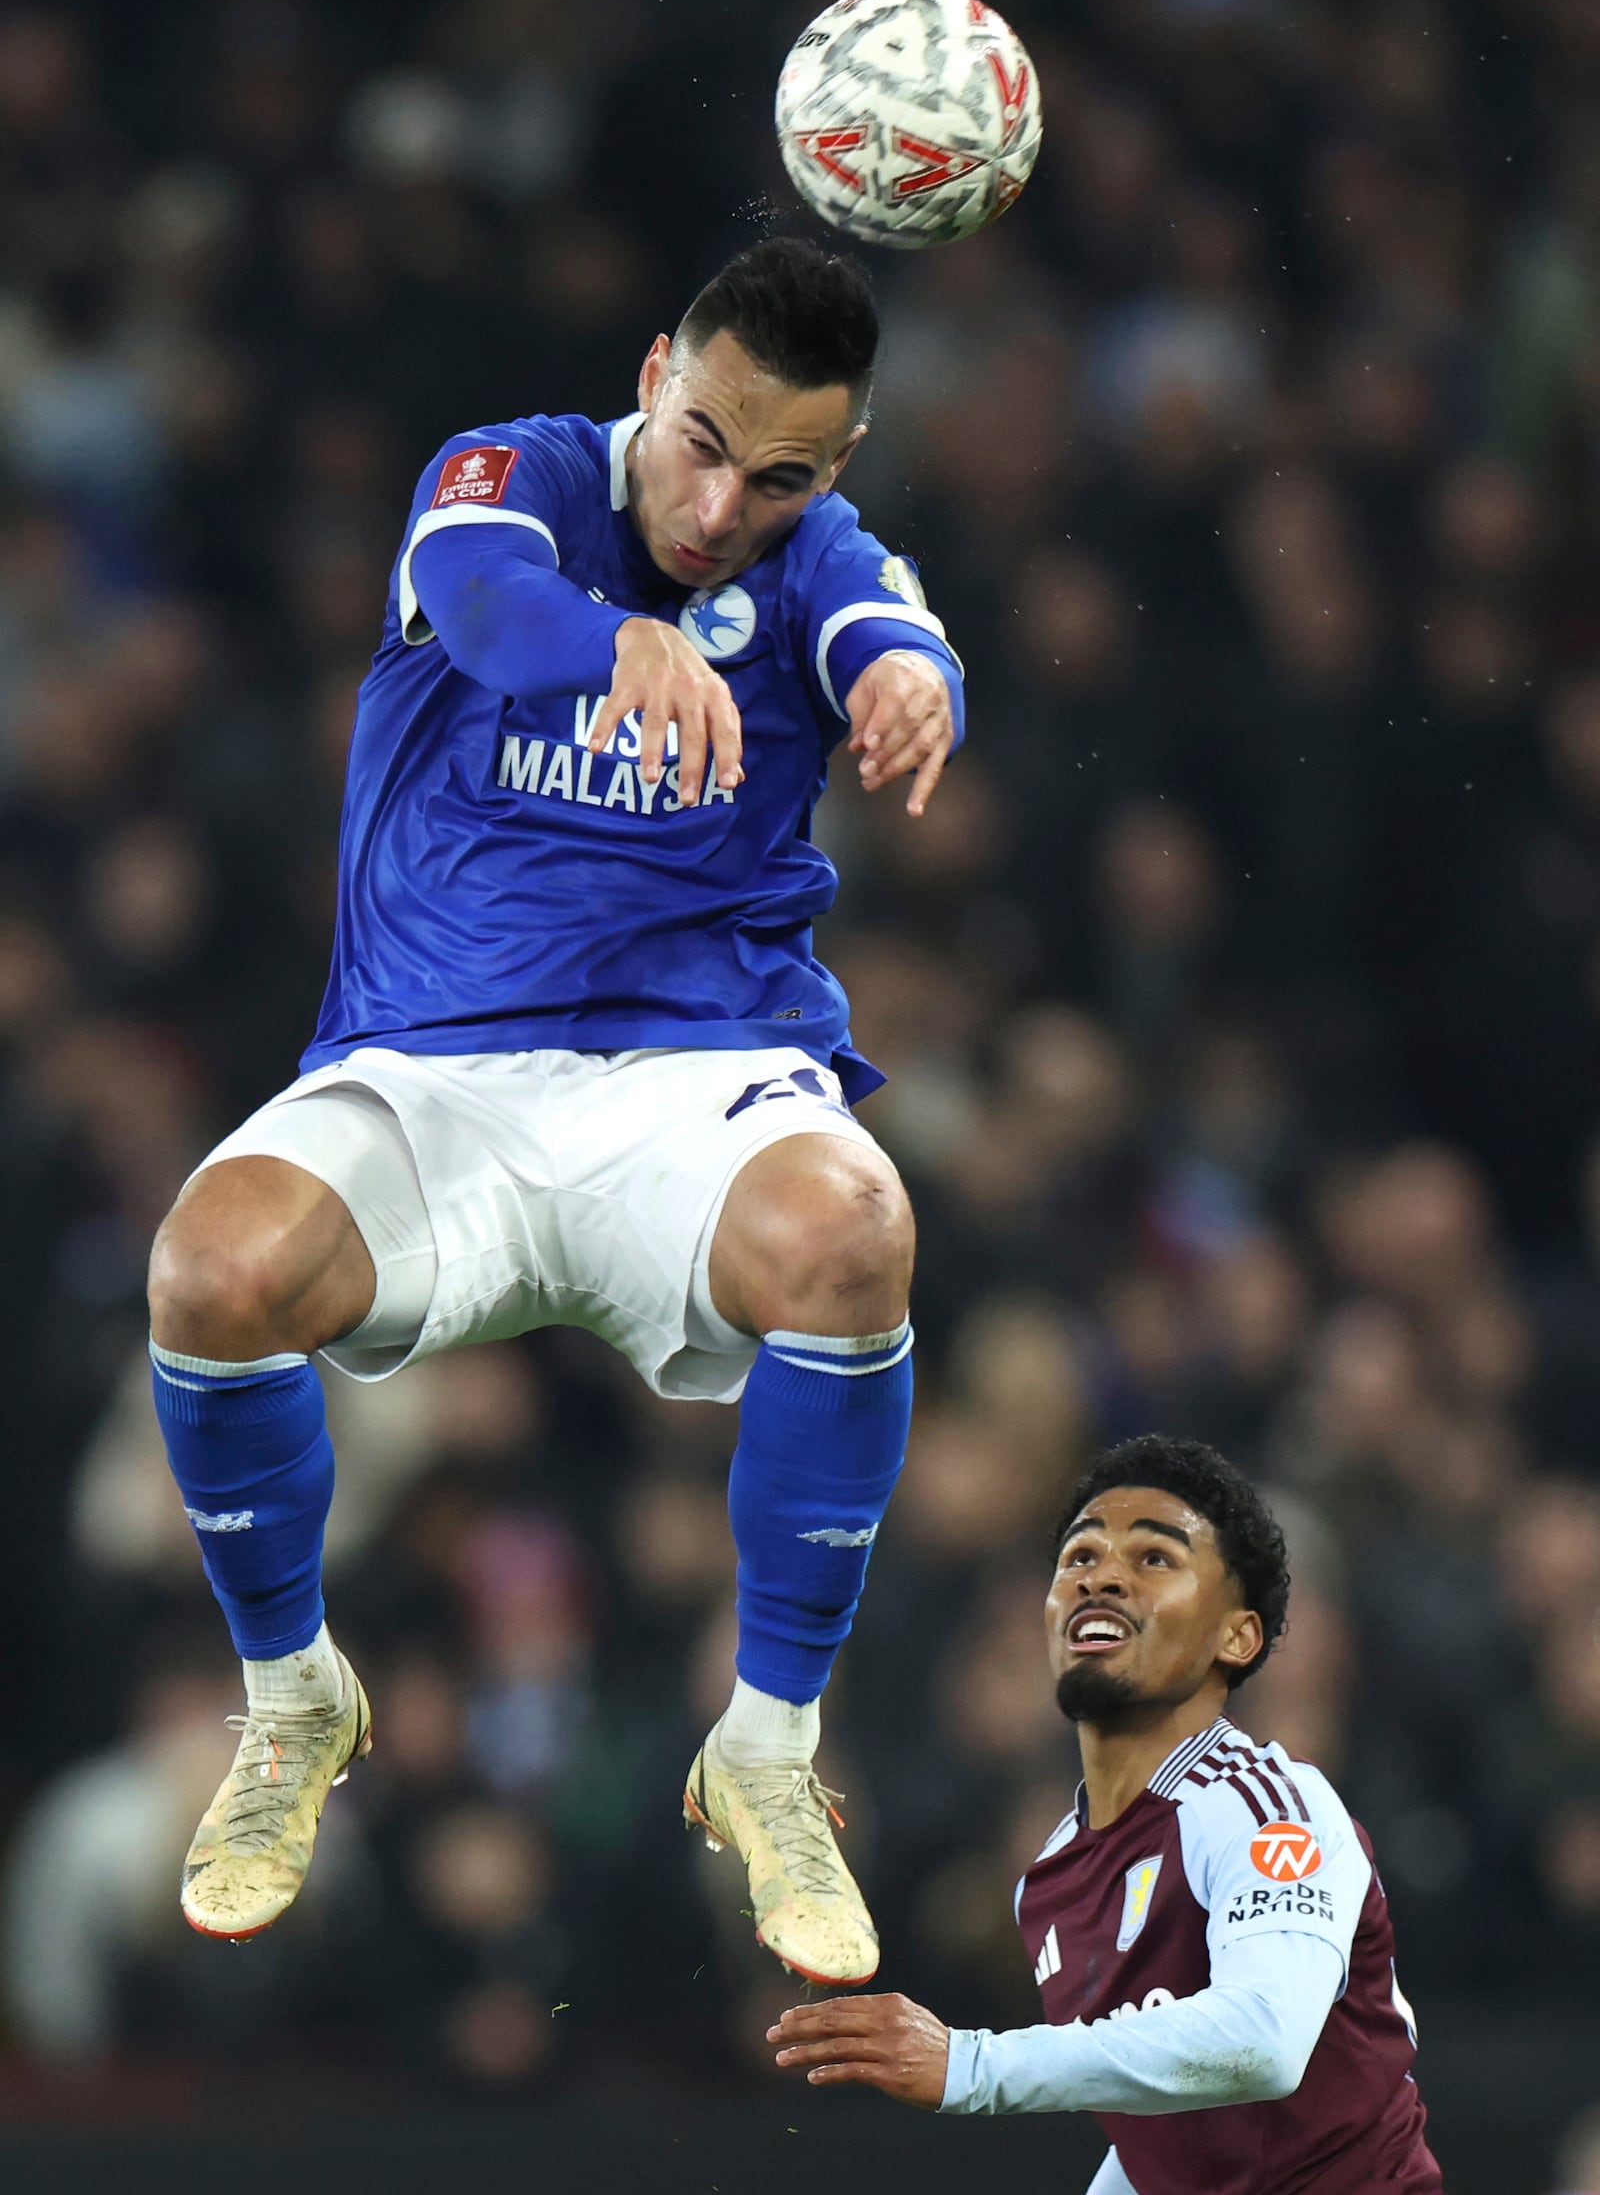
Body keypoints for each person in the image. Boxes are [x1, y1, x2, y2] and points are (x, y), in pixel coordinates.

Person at [145, 237, 963, 1988]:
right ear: (654, 371)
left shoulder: (822, 561)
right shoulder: (505, 473)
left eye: (783, 476)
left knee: (860, 1235)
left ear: (839, 465)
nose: (725, 502)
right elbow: (499, 610)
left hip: (690, 1081)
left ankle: (767, 1748)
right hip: (433, 1074)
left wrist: (913, 685)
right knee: (209, 1277)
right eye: (701, 441)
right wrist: (622, 650)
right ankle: (293, 1701)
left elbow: (901, 635)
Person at [770, 1433, 1445, 2192]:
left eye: (1155, 1559)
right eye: (1078, 1558)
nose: (1102, 1580)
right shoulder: (1051, 1879)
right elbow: (1163, 2139)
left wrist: (973, 2066)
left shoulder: (1266, 1806)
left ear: (1238, 1634)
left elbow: (1266, 2040)